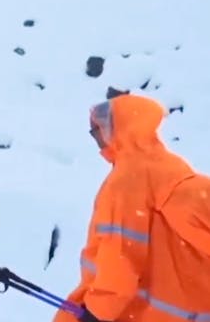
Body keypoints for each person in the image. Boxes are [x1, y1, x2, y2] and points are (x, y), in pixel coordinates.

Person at [54, 94, 210, 322]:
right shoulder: (170, 166)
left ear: (117, 129)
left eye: (96, 130)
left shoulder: (126, 181)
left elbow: (120, 258)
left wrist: (98, 313)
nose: (95, 138)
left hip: (146, 313)